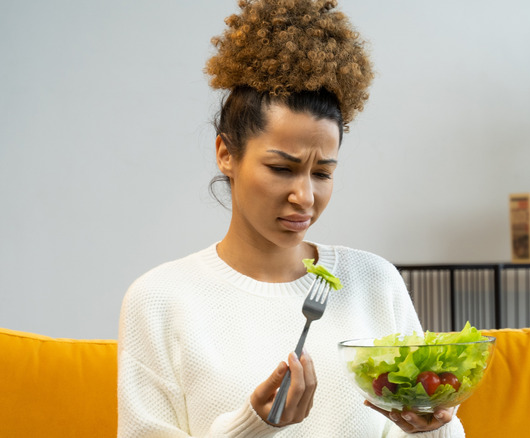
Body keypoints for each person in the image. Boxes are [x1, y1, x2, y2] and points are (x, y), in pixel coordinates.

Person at [117, 1, 466, 437]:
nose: (305, 197)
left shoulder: (373, 282)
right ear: (226, 153)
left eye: (322, 173)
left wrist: (430, 427)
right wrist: (254, 426)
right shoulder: (160, 299)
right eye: (282, 168)